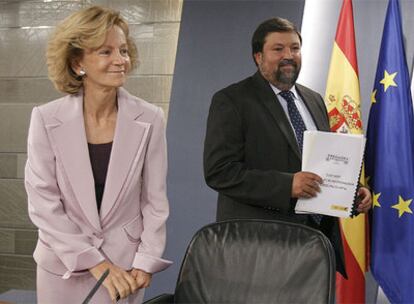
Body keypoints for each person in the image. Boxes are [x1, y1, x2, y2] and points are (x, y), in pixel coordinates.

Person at [24, 6, 171, 303]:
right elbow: (43, 204)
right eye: (106, 52)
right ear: (78, 62)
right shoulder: (45, 118)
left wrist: (147, 258)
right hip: (62, 265)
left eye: (124, 51)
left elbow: (155, 201)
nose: (120, 61)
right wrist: (95, 262)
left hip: (125, 267)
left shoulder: (150, 118)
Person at [203, 17, 372, 276]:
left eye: (294, 48)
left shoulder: (314, 100)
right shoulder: (232, 100)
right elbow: (219, 172)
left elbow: (320, 165)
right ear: (258, 56)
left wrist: (352, 193)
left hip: (315, 246)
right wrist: (286, 185)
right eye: (278, 49)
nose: (289, 55)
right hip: (258, 248)